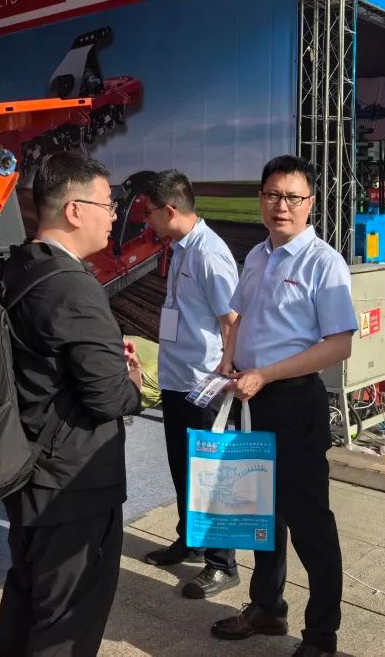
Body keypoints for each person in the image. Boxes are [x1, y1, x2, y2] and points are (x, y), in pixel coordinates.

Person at [0, 151, 145, 657]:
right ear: (75, 210)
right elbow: (109, 398)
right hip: (73, 483)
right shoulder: (75, 289)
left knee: (26, 595)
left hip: (24, 463)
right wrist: (132, 378)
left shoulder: (17, 266)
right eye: (107, 204)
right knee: (66, 623)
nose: (114, 215)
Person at [211, 155, 357, 657]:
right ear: (261, 199)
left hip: (294, 403)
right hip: (250, 398)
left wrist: (266, 373)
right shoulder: (257, 255)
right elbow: (239, 316)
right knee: (262, 513)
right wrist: (229, 360)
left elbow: (339, 345)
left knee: (310, 524)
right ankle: (267, 607)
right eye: (273, 195)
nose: (282, 206)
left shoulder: (323, 262)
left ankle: (321, 636)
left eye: (294, 197)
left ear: (311, 203)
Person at [140, 169, 240, 599]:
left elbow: (232, 319)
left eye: (149, 212)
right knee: (183, 468)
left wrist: (226, 369)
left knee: (210, 476)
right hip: (178, 379)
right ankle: (192, 541)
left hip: (203, 384)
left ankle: (223, 564)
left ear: (170, 210)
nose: (147, 220)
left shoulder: (209, 253)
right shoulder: (182, 248)